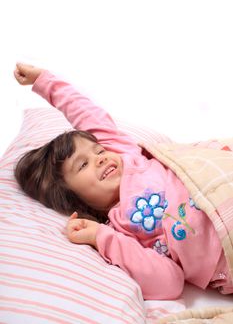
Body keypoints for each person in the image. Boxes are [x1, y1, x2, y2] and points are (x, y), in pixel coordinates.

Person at [13, 63, 233, 300]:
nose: (100, 158)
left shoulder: (129, 158)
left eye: (98, 150)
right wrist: (102, 238)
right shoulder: (119, 231)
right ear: (71, 197)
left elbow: (89, 116)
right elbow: (169, 283)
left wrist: (45, 82)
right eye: (83, 165)